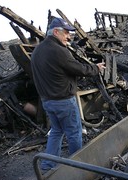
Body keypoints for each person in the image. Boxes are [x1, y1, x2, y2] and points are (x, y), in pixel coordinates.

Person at [31, 17, 105, 171]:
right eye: (66, 33)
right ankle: (76, 168)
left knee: (57, 131)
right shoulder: (59, 51)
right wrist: (96, 68)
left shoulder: (38, 50)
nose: (69, 36)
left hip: (47, 101)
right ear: (56, 32)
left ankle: (47, 165)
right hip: (63, 101)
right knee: (74, 133)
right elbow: (79, 69)